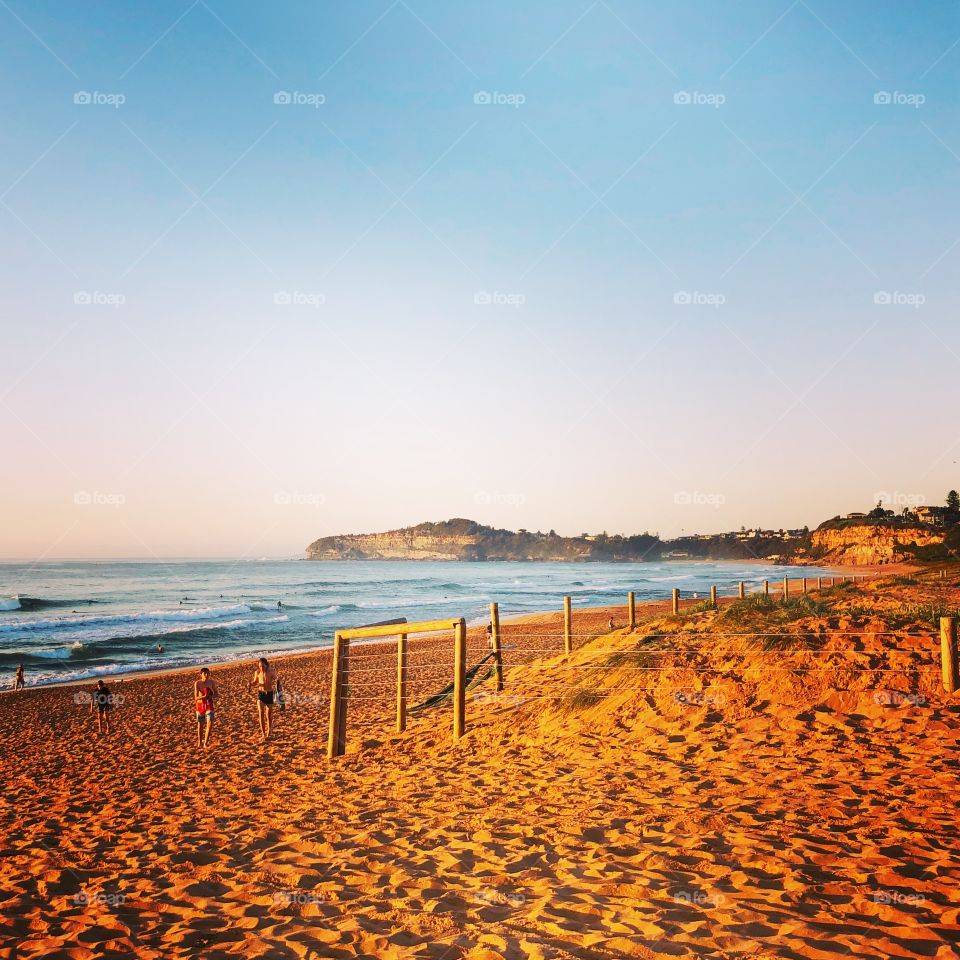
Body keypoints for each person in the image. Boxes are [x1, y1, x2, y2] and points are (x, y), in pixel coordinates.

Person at [251, 657, 278, 741]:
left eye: (263, 666)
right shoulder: (257, 672)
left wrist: (277, 680)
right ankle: (263, 733)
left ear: (266, 665)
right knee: (261, 712)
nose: (261, 667)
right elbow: (255, 682)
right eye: (260, 666)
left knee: (269, 715)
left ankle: (269, 732)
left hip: (269, 694)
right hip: (261, 694)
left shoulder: (270, 671)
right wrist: (251, 683)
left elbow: (275, 678)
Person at [194, 667, 217, 748]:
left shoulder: (211, 682)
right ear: (201, 675)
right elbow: (196, 697)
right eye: (205, 673)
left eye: (208, 673)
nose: (207, 675)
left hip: (209, 704)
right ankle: (200, 742)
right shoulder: (197, 683)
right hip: (200, 705)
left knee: (210, 723)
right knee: (200, 725)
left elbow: (216, 693)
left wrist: (211, 696)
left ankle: (205, 743)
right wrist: (203, 696)